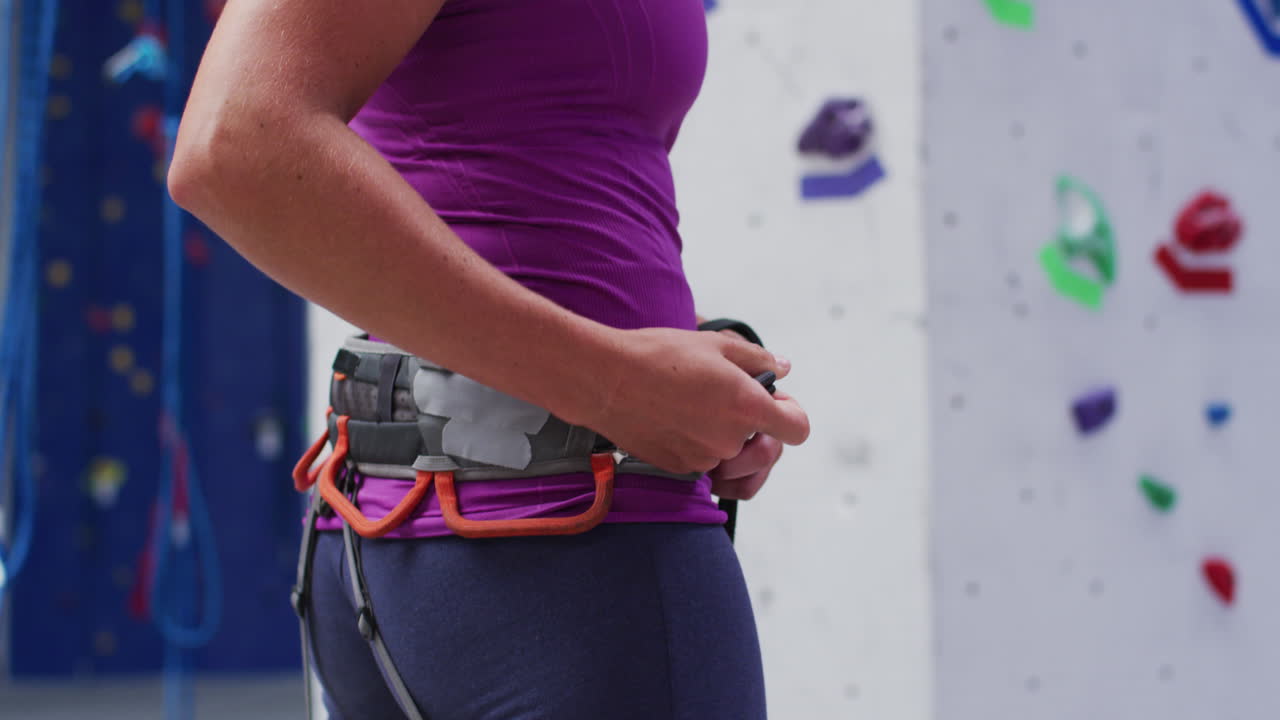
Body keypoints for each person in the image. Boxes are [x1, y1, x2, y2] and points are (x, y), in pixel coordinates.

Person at [168, 0, 811, 717]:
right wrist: (616, 384)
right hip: (562, 557)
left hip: (445, 549)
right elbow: (237, 145)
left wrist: (675, 382)